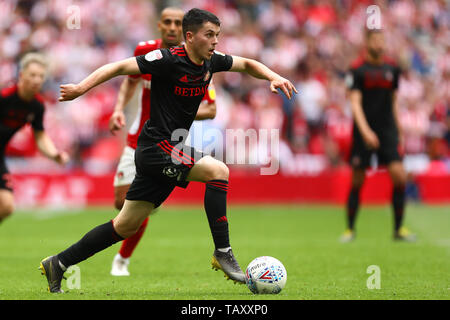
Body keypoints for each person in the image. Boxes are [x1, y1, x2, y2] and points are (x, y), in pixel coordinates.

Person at [40, 8, 297, 293]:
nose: (215, 42)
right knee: (218, 170)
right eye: (209, 35)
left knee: (125, 226)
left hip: (168, 148)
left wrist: (273, 76)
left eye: (218, 36)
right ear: (190, 36)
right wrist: (80, 89)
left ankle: (59, 263)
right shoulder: (166, 59)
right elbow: (117, 67)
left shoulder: (212, 62)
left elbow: (247, 63)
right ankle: (223, 251)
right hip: (155, 148)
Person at [108, 7, 217, 277]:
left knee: (136, 206)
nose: (171, 27)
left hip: (166, 143)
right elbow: (129, 81)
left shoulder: (198, 59)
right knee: (120, 203)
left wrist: (179, 107)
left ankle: (122, 259)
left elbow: (211, 109)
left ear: (185, 30)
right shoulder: (144, 50)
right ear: (159, 25)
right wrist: (119, 109)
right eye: (167, 22)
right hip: (136, 137)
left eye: (176, 23)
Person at [341, 29, 416, 243]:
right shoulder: (357, 70)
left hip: (387, 130)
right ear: (367, 43)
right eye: (375, 40)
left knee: (399, 176)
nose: (380, 44)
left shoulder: (392, 69)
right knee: (358, 179)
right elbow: (354, 103)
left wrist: (399, 130)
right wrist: (365, 131)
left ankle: (398, 229)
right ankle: (349, 229)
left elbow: (393, 101)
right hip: (364, 130)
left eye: (382, 40)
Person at [0, 53, 69, 224]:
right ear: (21, 75)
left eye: (40, 76)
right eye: (32, 75)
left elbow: (40, 135)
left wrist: (54, 154)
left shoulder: (37, 105)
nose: (37, 80)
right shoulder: (4, 97)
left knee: (6, 206)